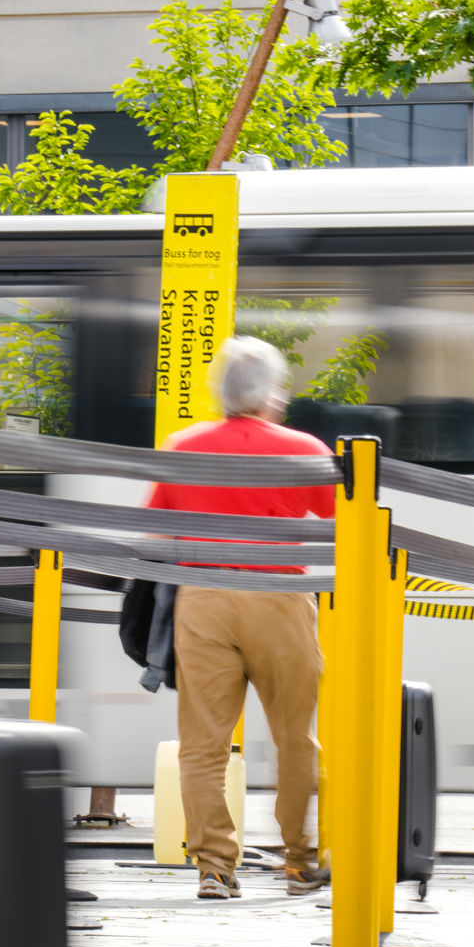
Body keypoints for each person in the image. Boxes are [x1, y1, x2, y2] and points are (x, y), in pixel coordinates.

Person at [146, 336, 336, 899]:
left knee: (203, 744)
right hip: (278, 598)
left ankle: (214, 868)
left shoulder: (182, 446)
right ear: (272, 393)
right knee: (294, 737)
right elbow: (339, 515)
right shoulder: (302, 448)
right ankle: (299, 860)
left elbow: (157, 531)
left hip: (203, 601)